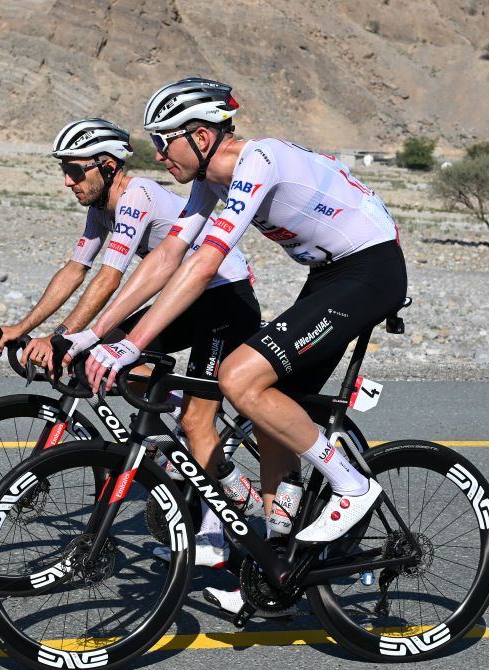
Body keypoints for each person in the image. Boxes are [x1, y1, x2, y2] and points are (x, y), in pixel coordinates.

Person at [79, 78, 407, 615]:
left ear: (203, 135)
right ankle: (281, 541)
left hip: (370, 268)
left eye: (166, 141)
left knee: (238, 376)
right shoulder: (209, 183)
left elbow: (204, 262)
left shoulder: (259, 161)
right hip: (330, 275)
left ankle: (351, 485)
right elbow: (167, 258)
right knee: (273, 407)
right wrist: (97, 335)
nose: (158, 154)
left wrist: (133, 343)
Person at [0, 117, 262, 567]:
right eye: (65, 171)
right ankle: (173, 418)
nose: (68, 181)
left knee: (194, 418)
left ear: (108, 165)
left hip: (224, 299)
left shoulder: (135, 197)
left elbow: (111, 277)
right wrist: (22, 326)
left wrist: (62, 338)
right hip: (183, 299)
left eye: (76, 171)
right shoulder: (101, 208)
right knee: (104, 355)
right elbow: (75, 270)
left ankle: (213, 534)